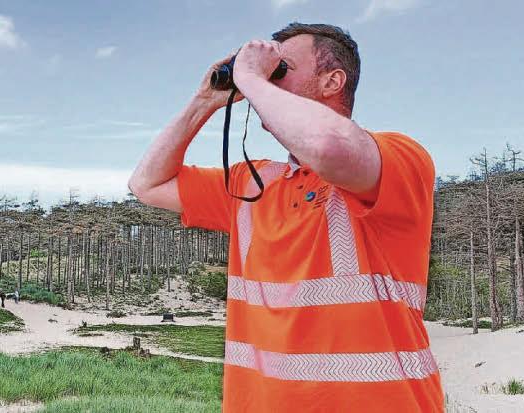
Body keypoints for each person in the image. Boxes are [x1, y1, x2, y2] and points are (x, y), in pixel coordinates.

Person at [127, 22, 444, 412]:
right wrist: (204, 100)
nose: (268, 79)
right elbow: (146, 184)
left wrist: (250, 77)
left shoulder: (399, 158)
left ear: (332, 82)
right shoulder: (253, 184)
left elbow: (330, 148)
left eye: (282, 68)